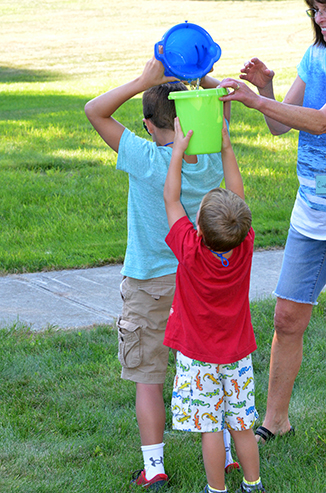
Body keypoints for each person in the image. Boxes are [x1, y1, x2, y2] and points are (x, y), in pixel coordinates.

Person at [84, 56, 238, 490]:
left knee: (148, 375)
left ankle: (154, 467)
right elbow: (217, 108)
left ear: (150, 126)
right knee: (212, 366)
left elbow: (94, 110)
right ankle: (225, 451)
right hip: (199, 283)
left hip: (149, 282)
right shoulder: (210, 157)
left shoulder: (145, 156)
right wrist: (202, 78)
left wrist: (141, 80)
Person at [218, 0, 326, 444]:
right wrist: (265, 90)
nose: (320, 18)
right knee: (285, 318)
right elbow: (281, 127)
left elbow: (320, 123)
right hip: (312, 212)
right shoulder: (314, 56)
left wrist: (256, 99)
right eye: (315, 9)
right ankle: (276, 419)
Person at [163, 117, 265, 493]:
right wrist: (226, 147)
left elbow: (171, 199)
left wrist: (176, 152)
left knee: (210, 427)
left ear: (199, 231)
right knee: (241, 423)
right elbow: (237, 195)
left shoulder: (190, 251)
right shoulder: (246, 246)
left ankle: (216, 489)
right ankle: (253, 485)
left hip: (198, 357)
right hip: (237, 356)